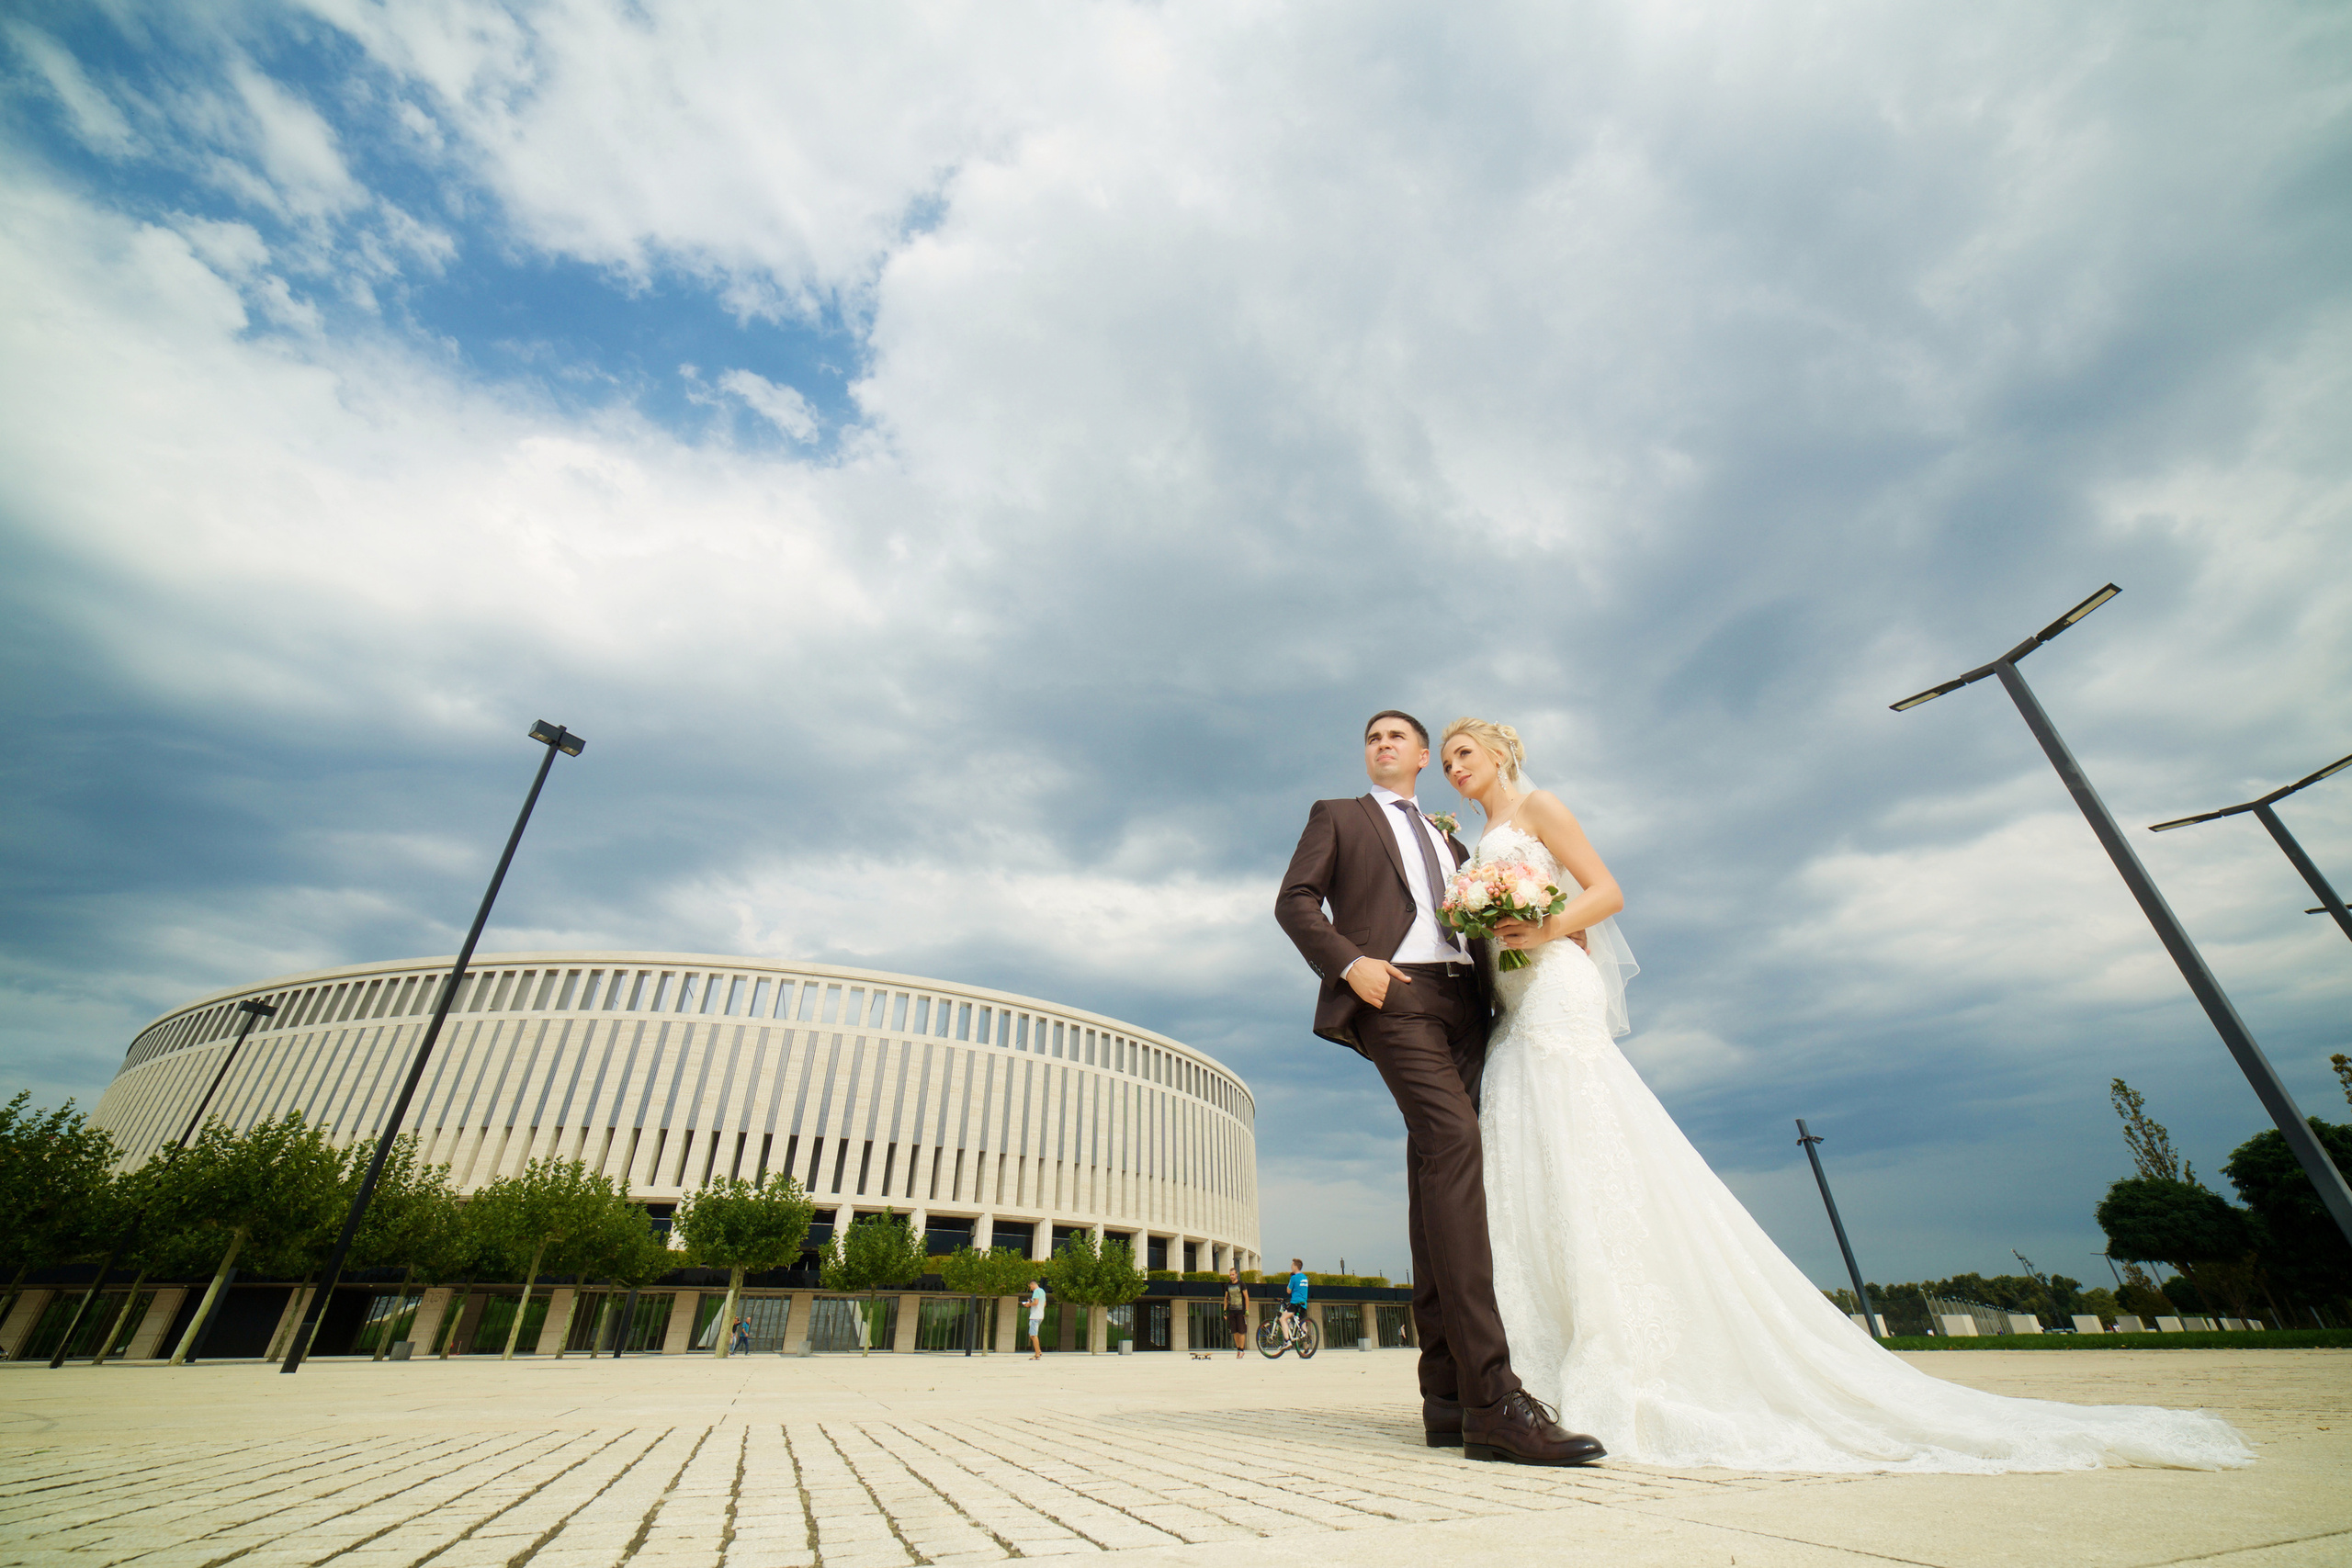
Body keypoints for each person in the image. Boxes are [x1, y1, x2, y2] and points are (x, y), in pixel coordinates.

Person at [1437, 715, 2253, 1472]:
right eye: (1445, 762)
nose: (1454, 767)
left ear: (1500, 752)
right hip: (1514, 1006)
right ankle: (1530, 1369)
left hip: (1557, 995)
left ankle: (1621, 1351)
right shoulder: (1474, 841)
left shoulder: (1541, 807)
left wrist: (1546, 926)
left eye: (1463, 752)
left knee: (1587, 1149)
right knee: (1532, 1166)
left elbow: (1607, 891)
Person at [1276, 711, 1604, 1464]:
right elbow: (1294, 900)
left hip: (1470, 1003)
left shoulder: (1455, 841)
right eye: (1372, 738)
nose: (1383, 744)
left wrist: (1553, 928)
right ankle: (1495, 1399)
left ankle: (1447, 1398)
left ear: (1422, 756)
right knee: (1456, 1143)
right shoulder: (1338, 816)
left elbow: (1488, 911)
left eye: (1397, 736)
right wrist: (1350, 962)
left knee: (1436, 1174)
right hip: (1394, 992)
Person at [1225, 1266, 1250, 1359]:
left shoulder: (1241, 1284)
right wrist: (1225, 1310)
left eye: (1233, 1275)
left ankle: (1242, 1350)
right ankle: (1238, 1348)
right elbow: (1226, 1298)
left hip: (1240, 1310)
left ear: (1236, 1275)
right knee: (1234, 1331)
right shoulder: (1228, 1285)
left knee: (1241, 1331)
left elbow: (1246, 1297)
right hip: (1232, 1310)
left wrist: (1246, 1310)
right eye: (1230, 1275)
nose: (1231, 1276)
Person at [1282, 1259, 1310, 1338]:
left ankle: (1287, 1341)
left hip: (1295, 1302)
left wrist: (1290, 1282)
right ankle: (1306, 1341)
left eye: (1292, 1265)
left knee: (1283, 1319)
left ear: (1296, 1266)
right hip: (1303, 1303)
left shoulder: (1294, 1278)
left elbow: (1288, 1291)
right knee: (1302, 1321)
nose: (1291, 1267)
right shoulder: (1305, 1277)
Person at [1024, 1278, 1046, 1360]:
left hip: (1035, 1316)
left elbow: (1036, 1302)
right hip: (1040, 1315)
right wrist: (1032, 1302)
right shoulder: (1042, 1291)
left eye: (1030, 1287)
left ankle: (1037, 1354)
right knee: (1031, 1334)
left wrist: (1028, 1304)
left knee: (1033, 1335)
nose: (1030, 1288)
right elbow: (1044, 1303)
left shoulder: (1036, 1291)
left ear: (1032, 1284)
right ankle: (1039, 1350)